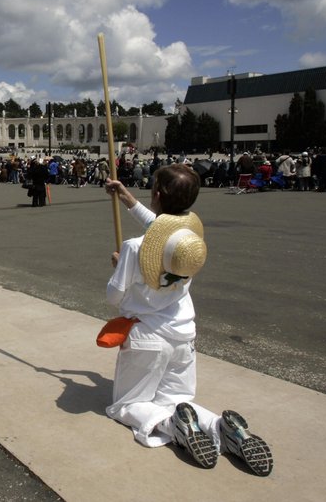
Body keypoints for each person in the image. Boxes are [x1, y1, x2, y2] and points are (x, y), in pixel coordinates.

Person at [102, 165, 273, 476]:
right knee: (176, 398)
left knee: (127, 405)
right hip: (183, 334)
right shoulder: (188, 241)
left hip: (147, 336)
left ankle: (171, 426)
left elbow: (114, 296)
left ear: (155, 194)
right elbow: (159, 228)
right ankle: (219, 426)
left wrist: (119, 268)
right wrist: (127, 198)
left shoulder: (133, 248)